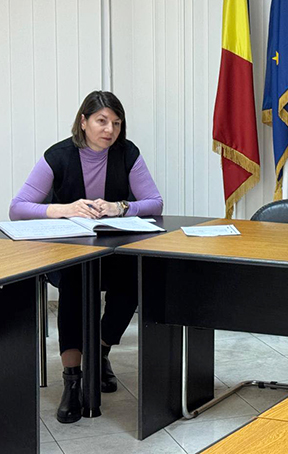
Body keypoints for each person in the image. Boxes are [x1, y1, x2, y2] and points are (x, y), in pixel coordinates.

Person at [9, 91, 163, 423]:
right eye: (101, 121)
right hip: (69, 254)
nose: (110, 130)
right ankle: (72, 381)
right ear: (83, 122)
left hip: (112, 251)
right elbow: (17, 208)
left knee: (134, 280)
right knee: (75, 283)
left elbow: (155, 202)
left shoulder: (127, 153)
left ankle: (99, 352)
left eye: (116, 123)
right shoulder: (59, 155)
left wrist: (120, 207)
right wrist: (65, 209)